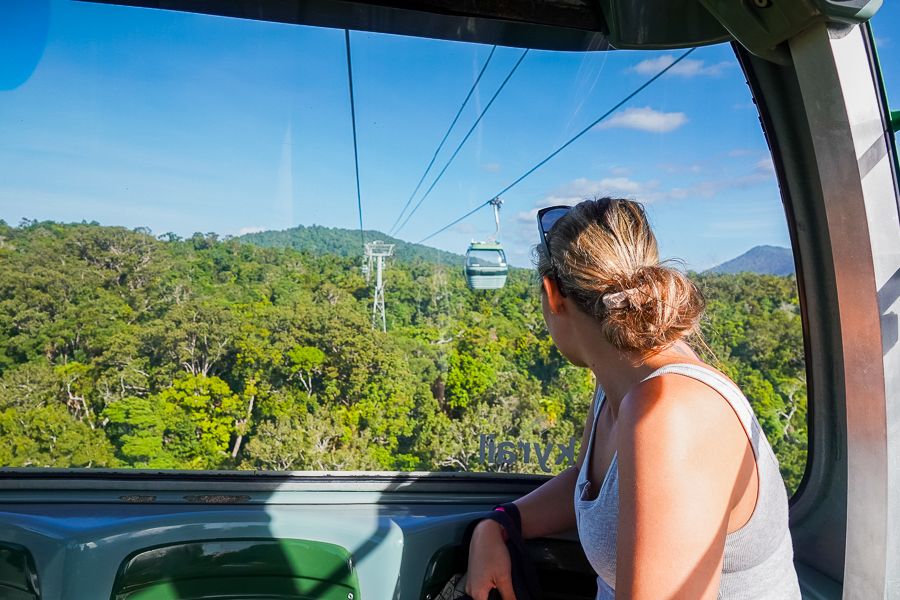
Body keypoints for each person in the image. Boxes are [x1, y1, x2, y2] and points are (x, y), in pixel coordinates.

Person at [465, 198, 801, 600]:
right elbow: (590, 487)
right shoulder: (615, 388)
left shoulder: (672, 411)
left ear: (553, 295)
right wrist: (501, 523)